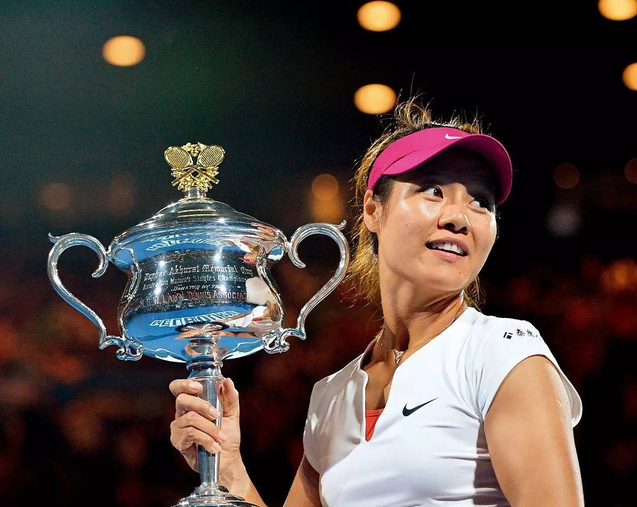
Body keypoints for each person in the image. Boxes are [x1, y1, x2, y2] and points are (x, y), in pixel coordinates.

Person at [169, 98, 585, 506]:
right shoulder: (331, 396)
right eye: (434, 190)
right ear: (373, 209)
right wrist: (228, 469)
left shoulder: (505, 355)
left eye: (481, 201)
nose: (460, 217)